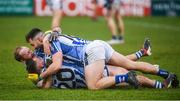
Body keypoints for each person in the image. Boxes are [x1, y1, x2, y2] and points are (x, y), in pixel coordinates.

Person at [24, 28, 178, 90]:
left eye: (32, 44)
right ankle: (166, 75)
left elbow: (56, 65)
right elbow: (56, 29)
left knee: (93, 85)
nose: (33, 48)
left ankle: (126, 76)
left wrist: (41, 74)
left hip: (90, 52)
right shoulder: (52, 33)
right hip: (98, 44)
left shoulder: (50, 41)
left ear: (36, 39)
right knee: (130, 63)